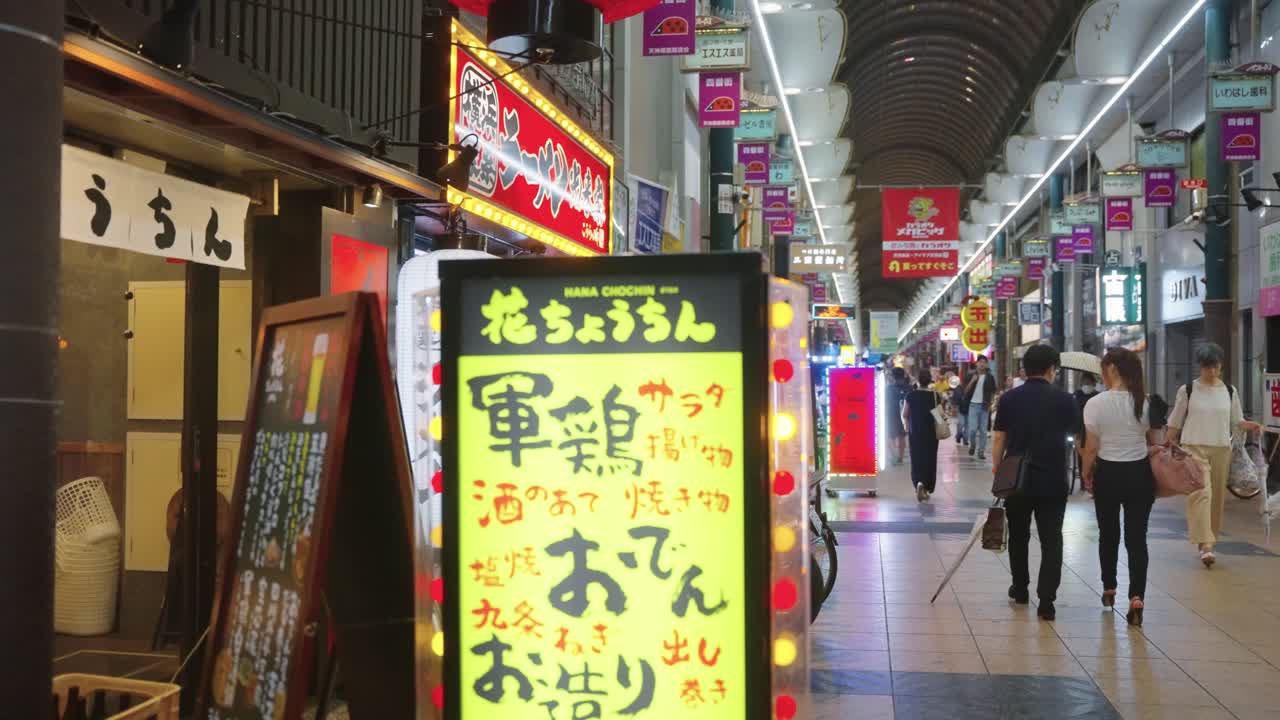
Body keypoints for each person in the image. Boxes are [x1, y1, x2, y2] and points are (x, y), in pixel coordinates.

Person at [991, 344, 1079, 621]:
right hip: (1053, 479)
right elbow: (1079, 441)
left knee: (1019, 535)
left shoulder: (1009, 399)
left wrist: (998, 470)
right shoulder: (1066, 400)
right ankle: (1047, 600)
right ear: (1052, 369)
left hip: (1017, 479)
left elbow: (999, 439)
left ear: (1025, 369)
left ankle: (1020, 589)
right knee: (1052, 539)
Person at [1080, 349, 1157, 627]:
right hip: (1139, 475)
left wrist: (1086, 473)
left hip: (1108, 474)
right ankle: (1137, 597)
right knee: (1137, 538)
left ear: (1111, 368)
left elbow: (1091, 448)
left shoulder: (1096, 404)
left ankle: (1110, 587)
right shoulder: (1146, 403)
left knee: (1108, 534)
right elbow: (1155, 443)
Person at [1166, 343, 1262, 568]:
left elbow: (1237, 420)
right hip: (1193, 448)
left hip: (1221, 449)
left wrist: (1252, 425)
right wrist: (1164, 446)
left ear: (1221, 366)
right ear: (1200, 366)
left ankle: (1208, 540)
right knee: (1201, 493)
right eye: (1208, 367)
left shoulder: (1229, 391)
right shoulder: (1188, 390)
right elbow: (1175, 422)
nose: (1212, 371)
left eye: (1216, 367)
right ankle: (1207, 545)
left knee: (1217, 498)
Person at [903, 369, 941, 502]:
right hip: (931, 433)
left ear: (918, 380)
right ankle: (926, 486)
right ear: (929, 380)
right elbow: (940, 416)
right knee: (929, 459)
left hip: (915, 433)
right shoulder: (935, 396)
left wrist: (908, 428)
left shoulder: (911, 395)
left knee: (917, 458)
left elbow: (905, 414)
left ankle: (918, 482)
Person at [965, 356, 997, 460]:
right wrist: (973, 381)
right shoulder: (970, 375)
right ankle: (973, 445)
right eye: (980, 362)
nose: (982, 364)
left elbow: (993, 391)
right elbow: (965, 391)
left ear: (987, 364)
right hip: (973, 405)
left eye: (984, 362)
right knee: (972, 430)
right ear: (976, 364)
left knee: (983, 430)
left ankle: (981, 452)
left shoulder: (990, 377)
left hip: (984, 405)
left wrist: (990, 402)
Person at [887, 367, 910, 465]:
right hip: (905, 414)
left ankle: (894, 456)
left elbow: (886, 402)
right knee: (902, 436)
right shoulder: (909, 388)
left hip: (892, 414)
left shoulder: (889, 388)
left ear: (893, 376)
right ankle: (900, 457)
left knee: (890, 436)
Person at [951, 375, 969, 446]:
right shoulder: (958, 388)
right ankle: (958, 435)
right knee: (961, 423)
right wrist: (954, 407)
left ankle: (965, 439)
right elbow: (954, 398)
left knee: (967, 425)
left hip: (969, 408)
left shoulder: (972, 388)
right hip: (960, 408)